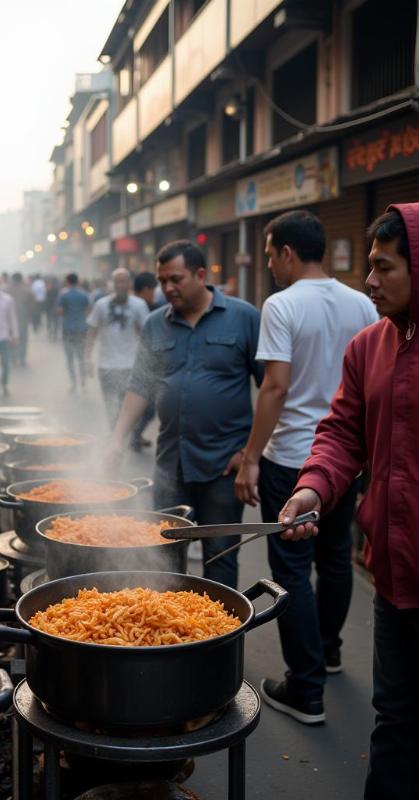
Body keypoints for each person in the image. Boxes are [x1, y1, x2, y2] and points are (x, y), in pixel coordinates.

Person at [278, 203, 419, 799]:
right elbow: (342, 431)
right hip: (395, 578)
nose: (370, 280)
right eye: (369, 265)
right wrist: (311, 487)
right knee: (398, 722)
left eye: (385, 266)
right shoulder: (368, 344)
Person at [233, 210, 377, 724]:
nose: (270, 264)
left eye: (270, 254)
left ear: (287, 253)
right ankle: (330, 651)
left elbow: (274, 386)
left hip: (292, 459)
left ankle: (306, 687)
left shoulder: (282, 304)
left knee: (291, 569)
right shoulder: (362, 301)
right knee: (335, 558)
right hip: (345, 461)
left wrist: (250, 457)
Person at [107, 241, 263, 588]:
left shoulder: (244, 318)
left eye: (175, 279)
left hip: (223, 467)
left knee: (220, 557)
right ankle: (171, 636)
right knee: (164, 557)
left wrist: (249, 454)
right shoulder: (154, 324)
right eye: (162, 281)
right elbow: (139, 386)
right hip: (170, 465)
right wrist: (116, 439)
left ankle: (219, 640)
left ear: (201, 275)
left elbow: (272, 391)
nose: (167, 288)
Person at [86, 268, 149, 429]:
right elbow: (91, 333)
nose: (121, 285)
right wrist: (87, 358)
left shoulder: (139, 305)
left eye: (124, 281)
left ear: (129, 283)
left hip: (130, 365)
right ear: (112, 284)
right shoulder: (101, 305)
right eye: (117, 281)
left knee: (127, 405)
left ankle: (125, 435)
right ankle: (115, 434)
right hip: (106, 364)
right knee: (109, 403)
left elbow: (148, 336)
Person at [131, 271, 160, 449]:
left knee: (148, 407)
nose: (155, 293)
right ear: (146, 289)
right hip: (141, 365)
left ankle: (134, 435)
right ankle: (132, 435)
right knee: (148, 407)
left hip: (148, 364)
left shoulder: (155, 307)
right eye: (154, 289)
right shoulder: (139, 307)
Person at [56, 273, 90, 391]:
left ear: (67, 281)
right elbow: (88, 311)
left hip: (68, 329)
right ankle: (83, 381)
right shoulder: (84, 294)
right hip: (81, 329)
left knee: (69, 357)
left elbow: (60, 311)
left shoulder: (63, 294)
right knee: (81, 356)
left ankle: (73, 382)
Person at [8, 272, 34, 366]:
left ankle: (13, 358)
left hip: (9, 320)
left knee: (12, 338)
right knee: (23, 339)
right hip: (23, 318)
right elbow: (32, 305)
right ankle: (22, 358)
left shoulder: (7, 290)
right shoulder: (27, 290)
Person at [45, 276, 61, 341]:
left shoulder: (49, 289)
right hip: (55, 307)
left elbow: (46, 298)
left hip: (49, 307)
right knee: (56, 321)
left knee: (49, 320)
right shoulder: (58, 289)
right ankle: (55, 333)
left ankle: (50, 332)